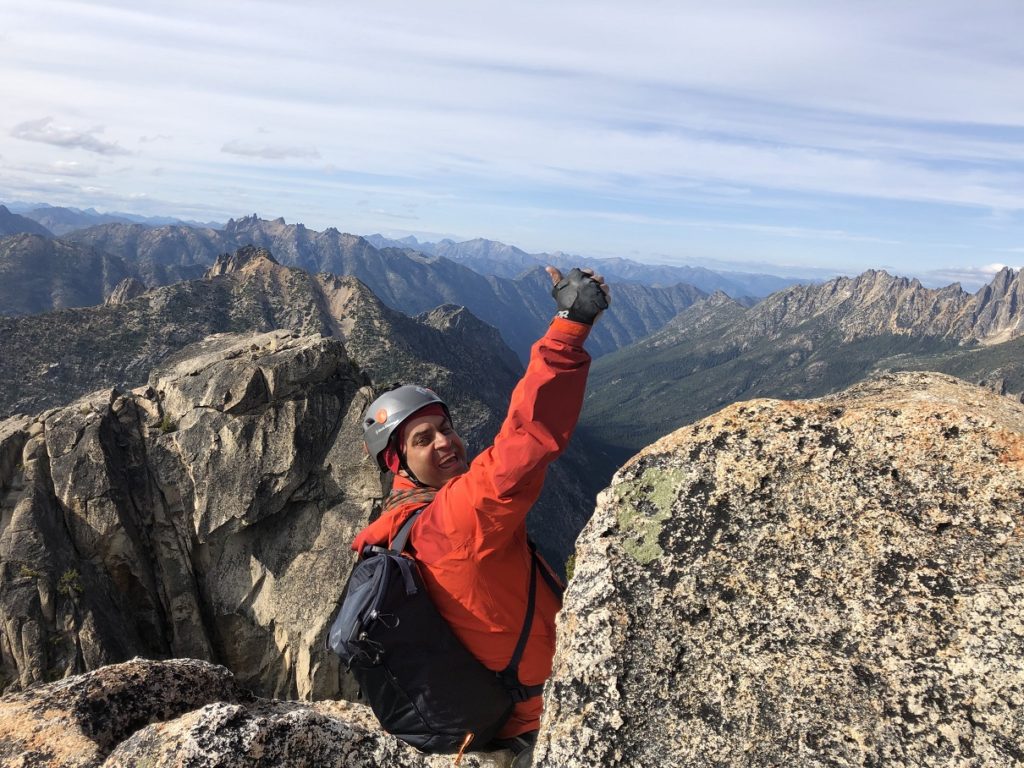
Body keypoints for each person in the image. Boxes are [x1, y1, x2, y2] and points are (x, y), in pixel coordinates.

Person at [351, 266, 609, 766]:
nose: (445, 442)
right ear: (395, 462)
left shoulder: (391, 534)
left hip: (494, 720)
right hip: (538, 720)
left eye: (445, 428)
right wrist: (570, 326)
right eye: (422, 439)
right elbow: (525, 440)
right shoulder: (451, 521)